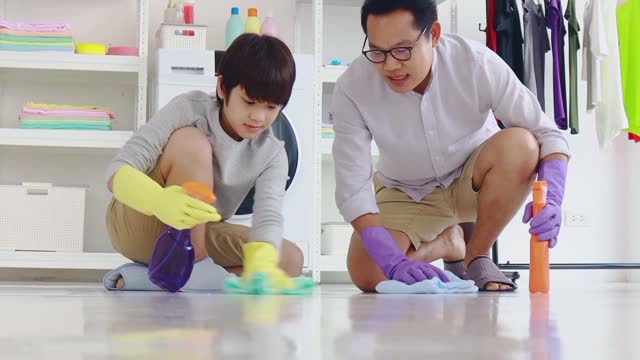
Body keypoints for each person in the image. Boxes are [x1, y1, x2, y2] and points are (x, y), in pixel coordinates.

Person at [332, 0, 570, 292]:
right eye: (378, 52)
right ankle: (448, 243)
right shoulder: (352, 88)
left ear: (433, 34)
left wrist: (554, 198)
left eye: (403, 49)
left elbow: (547, 134)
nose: (390, 65)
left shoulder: (475, 62)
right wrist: (393, 263)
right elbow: (353, 189)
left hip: (475, 180)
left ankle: (477, 253)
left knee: (522, 144)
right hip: (407, 191)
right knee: (367, 275)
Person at [105, 33, 303, 291]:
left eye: (271, 107)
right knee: (193, 142)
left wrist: (263, 261)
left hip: (197, 234)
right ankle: (194, 274)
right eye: (249, 101)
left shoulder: (273, 153)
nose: (258, 116)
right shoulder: (190, 108)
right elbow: (117, 170)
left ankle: (158, 279)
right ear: (223, 88)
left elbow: (268, 217)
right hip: (142, 218)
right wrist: (159, 200)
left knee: (290, 260)